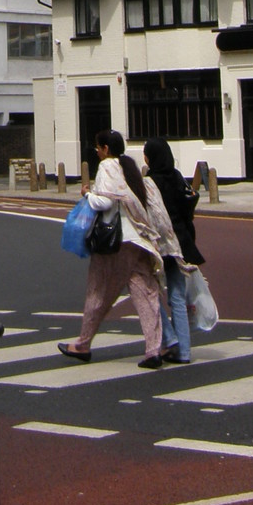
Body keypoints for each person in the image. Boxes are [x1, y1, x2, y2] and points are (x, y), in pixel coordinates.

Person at [59, 129, 166, 368]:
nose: (96, 151)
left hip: (115, 242)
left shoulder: (107, 167)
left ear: (106, 149)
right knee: (146, 294)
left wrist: (88, 194)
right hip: (138, 241)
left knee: (98, 292)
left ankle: (83, 344)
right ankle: (153, 350)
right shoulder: (130, 168)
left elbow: (105, 201)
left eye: (98, 147)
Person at [144, 137, 205, 364]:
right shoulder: (177, 177)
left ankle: (169, 338)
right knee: (177, 297)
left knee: (148, 292)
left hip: (158, 244)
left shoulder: (149, 182)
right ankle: (185, 352)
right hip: (180, 242)